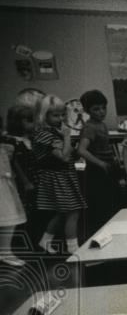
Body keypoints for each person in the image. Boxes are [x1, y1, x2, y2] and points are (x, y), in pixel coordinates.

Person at [32, 95, 86, 254]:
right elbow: (64, 157)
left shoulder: (55, 131)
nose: (60, 118)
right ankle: (73, 248)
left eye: (62, 114)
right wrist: (68, 136)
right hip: (56, 176)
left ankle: (46, 240)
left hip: (64, 175)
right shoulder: (45, 134)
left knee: (63, 211)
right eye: (55, 115)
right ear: (44, 115)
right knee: (73, 211)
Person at [77, 89, 120, 233]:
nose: (101, 112)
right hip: (97, 170)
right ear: (87, 110)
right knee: (103, 205)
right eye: (96, 109)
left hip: (107, 167)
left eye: (103, 108)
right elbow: (81, 150)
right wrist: (100, 163)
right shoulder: (89, 127)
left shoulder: (101, 124)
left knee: (112, 202)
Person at [0, 114, 29, 266]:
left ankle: (5, 251)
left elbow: (10, 168)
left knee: (9, 219)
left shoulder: (6, 146)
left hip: (4, 187)